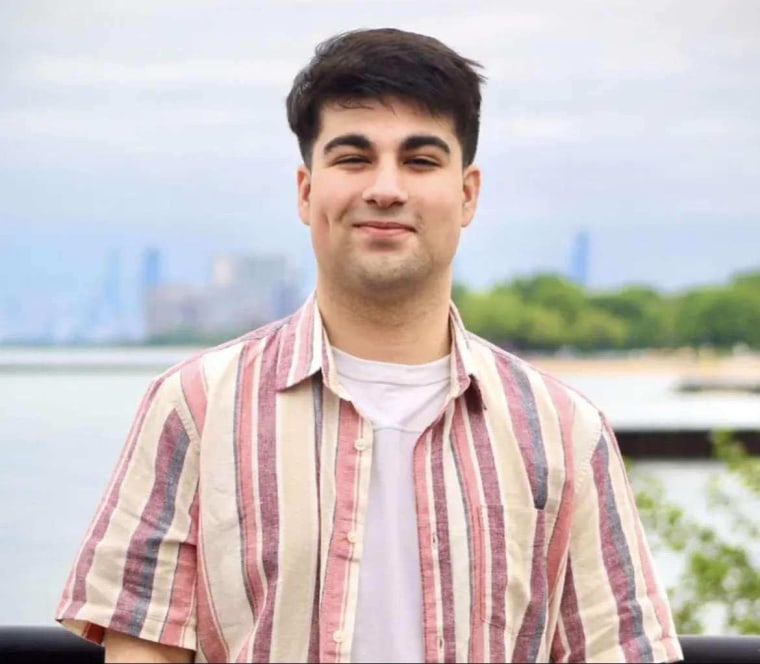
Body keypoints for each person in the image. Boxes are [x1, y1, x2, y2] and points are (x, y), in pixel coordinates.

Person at [55, 28, 684, 663]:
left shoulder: (563, 430)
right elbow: (144, 652)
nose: (385, 188)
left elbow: (617, 650)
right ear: (307, 191)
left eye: (420, 161)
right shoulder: (195, 406)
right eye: (353, 158)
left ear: (467, 194)